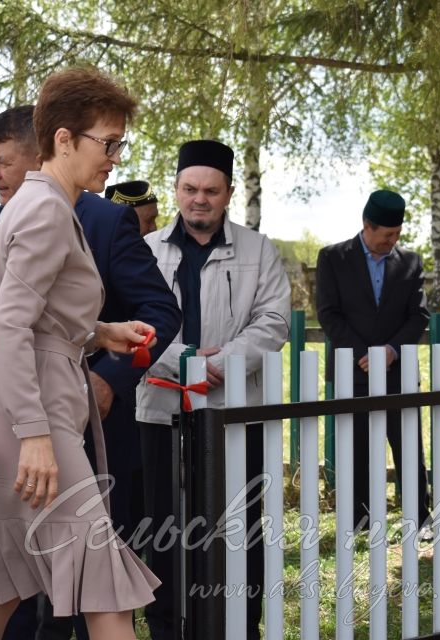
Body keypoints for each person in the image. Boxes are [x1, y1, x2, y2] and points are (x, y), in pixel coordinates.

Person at [0, 105, 180, 639]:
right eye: (108, 143)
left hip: (24, 410)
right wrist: (36, 435)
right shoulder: (45, 209)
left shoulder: (39, 202)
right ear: (65, 139)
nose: (115, 158)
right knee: (104, 587)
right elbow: (10, 326)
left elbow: (32, 315)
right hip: (32, 417)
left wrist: (99, 332)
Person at [135, 139, 291, 640]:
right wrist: (183, 361)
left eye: (210, 190)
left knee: (238, 532)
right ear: (176, 189)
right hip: (160, 410)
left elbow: (273, 320)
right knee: (160, 530)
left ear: (226, 194)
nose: (198, 199)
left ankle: (239, 628)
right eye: (189, 188)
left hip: (233, 413)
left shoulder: (257, 249)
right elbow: (131, 321)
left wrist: (222, 362)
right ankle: (166, 629)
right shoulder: (146, 251)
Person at [316, 189, 431, 530]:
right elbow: (328, 314)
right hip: (355, 371)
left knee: (410, 448)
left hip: (399, 373)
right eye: (386, 235)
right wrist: (365, 354)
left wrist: (391, 351)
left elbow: (419, 315)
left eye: (397, 234)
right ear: (367, 225)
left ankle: (419, 519)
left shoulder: (411, 262)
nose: (392, 241)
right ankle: (360, 520)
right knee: (358, 450)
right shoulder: (332, 258)